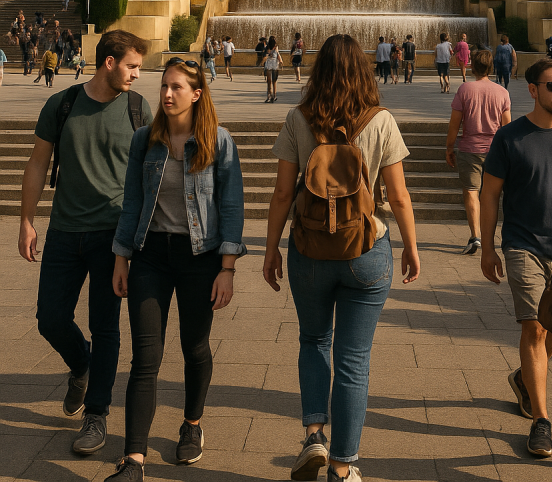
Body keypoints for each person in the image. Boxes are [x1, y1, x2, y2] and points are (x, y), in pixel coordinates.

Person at [263, 34, 420, 482]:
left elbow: (280, 194)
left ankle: (314, 434)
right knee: (354, 358)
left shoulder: (298, 118)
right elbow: (400, 195)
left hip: (309, 250)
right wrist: (410, 246)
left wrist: (271, 247)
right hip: (366, 250)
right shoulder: (381, 120)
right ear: (364, 71)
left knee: (314, 341)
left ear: (319, 71)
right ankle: (344, 465)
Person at [105, 58, 246, 481]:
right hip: (151, 256)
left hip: (199, 259)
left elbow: (232, 207)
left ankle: (192, 424)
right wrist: (121, 257)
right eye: (164, 86)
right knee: (145, 358)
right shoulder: (145, 141)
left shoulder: (219, 142)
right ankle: (134, 460)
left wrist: (228, 269)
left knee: (194, 347)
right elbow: (131, 202)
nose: (166, 95)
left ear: (197, 93)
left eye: (177, 88)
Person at [18, 31, 151, 456]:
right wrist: (26, 221)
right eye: (131, 66)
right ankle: (82, 365)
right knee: (50, 319)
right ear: (109, 62)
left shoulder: (137, 108)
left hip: (112, 238)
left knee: (105, 326)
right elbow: (38, 163)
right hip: (63, 231)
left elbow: (151, 172)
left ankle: (97, 414)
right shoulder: (63, 104)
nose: (136, 74)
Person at [480, 58, 552, 459]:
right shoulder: (510, 137)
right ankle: (542, 421)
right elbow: (489, 194)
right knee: (536, 328)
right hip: (522, 245)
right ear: (533, 90)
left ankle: (525, 379)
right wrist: (488, 247)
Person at [446, 49, 511, 256]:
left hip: (469, 149)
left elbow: (455, 124)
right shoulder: (502, 92)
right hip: (495, 150)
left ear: (472, 66)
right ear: (491, 68)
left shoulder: (465, 89)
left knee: (471, 191)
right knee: (491, 195)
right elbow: (507, 127)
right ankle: (491, 237)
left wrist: (449, 148)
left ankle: (476, 236)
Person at [264, 36, 283, 103]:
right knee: (274, 81)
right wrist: (281, 62)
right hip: (275, 64)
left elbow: (265, 56)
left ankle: (269, 96)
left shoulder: (268, 47)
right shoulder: (275, 47)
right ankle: (273, 95)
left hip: (269, 64)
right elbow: (278, 54)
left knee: (269, 82)